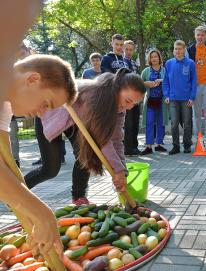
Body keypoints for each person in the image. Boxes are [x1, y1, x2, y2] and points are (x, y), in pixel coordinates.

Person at [24, 69, 146, 205]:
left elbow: (116, 140)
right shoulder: (95, 95)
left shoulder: (120, 108)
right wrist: (117, 170)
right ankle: (18, 192)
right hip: (51, 115)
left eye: (133, 104)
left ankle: (78, 197)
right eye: (128, 101)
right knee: (50, 169)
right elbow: (102, 139)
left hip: (76, 121)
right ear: (117, 88)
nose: (128, 107)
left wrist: (122, 170)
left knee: (85, 157)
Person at [0, 54, 76, 258]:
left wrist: (30, 215)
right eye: (46, 103)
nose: (42, 114)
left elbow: (6, 167)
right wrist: (42, 215)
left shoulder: (4, 105)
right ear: (32, 79)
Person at [163, 40, 197, 155]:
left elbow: (193, 81)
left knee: (187, 122)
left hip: (186, 99)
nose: (178, 51)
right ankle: (175, 146)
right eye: (176, 49)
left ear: (184, 50)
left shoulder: (190, 63)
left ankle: (187, 145)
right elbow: (166, 80)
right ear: (173, 50)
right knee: (174, 123)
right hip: (173, 99)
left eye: (180, 49)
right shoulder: (168, 63)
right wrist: (166, 95)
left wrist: (192, 97)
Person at [187, 26, 206, 151]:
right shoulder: (189, 50)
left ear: (205, 36)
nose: (200, 37)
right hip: (195, 86)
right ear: (195, 36)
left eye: (202, 35)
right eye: (198, 35)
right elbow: (187, 70)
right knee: (197, 114)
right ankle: (198, 140)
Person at [140, 49, 168, 155]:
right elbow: (139, 83)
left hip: (162, 101)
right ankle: (148, 146)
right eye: (152, 57)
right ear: (149, 59)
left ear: (159, 58)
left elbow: (169, 82)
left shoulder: (165, 70)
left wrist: (162, 81)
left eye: (156, 56)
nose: (154, 59)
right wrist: (146, 83)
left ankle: (159, 144)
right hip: (150, 101)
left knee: (161, 123)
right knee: (149, 122)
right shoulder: (146, 71)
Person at [122, 40, 141, 156]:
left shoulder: (134, 63)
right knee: (127, 123)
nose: (129, 52)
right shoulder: (120, 62)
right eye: (127, 49)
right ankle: (127, 148)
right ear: (123, 49)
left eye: (131, 49)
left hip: (135, 97)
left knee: (135, 122)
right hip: (125, 98)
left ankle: (135, 146)